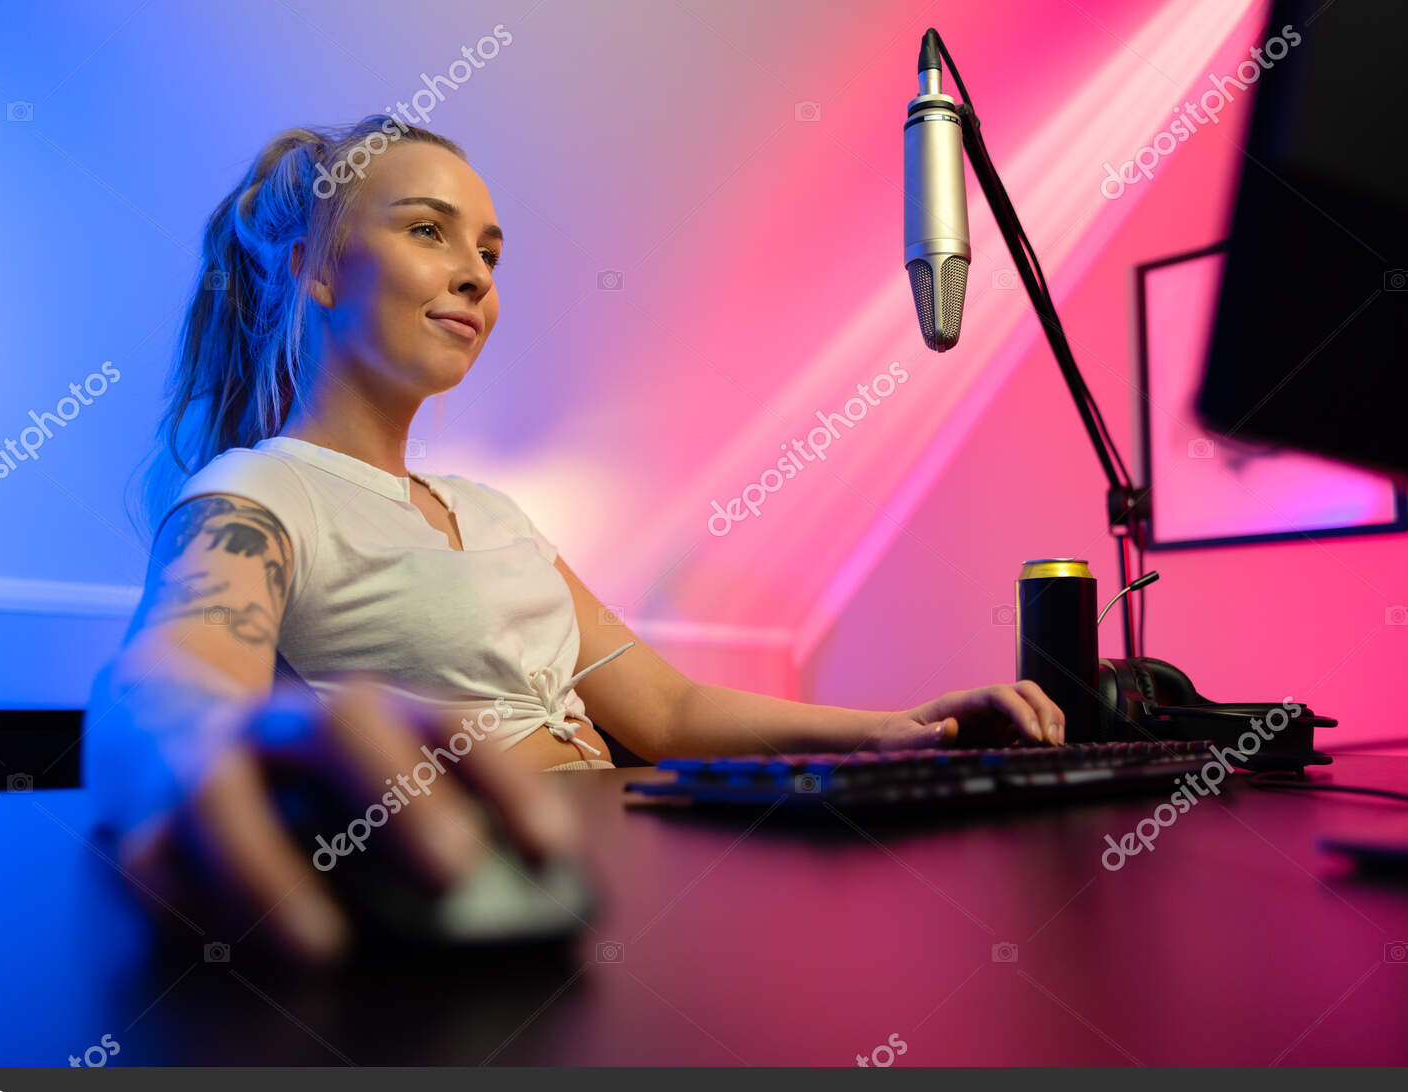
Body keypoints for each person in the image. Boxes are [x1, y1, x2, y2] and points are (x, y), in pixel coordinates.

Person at [83, 116, 1067, 966]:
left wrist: (899, 730)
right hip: (481, 896)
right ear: (316, 268)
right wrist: (189, 751)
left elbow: (671, 710)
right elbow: (170, 671)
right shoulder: (260, 488)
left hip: (624, 876)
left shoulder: (494, 512)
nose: (473, 273)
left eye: (491, 253)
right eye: (429, 231)